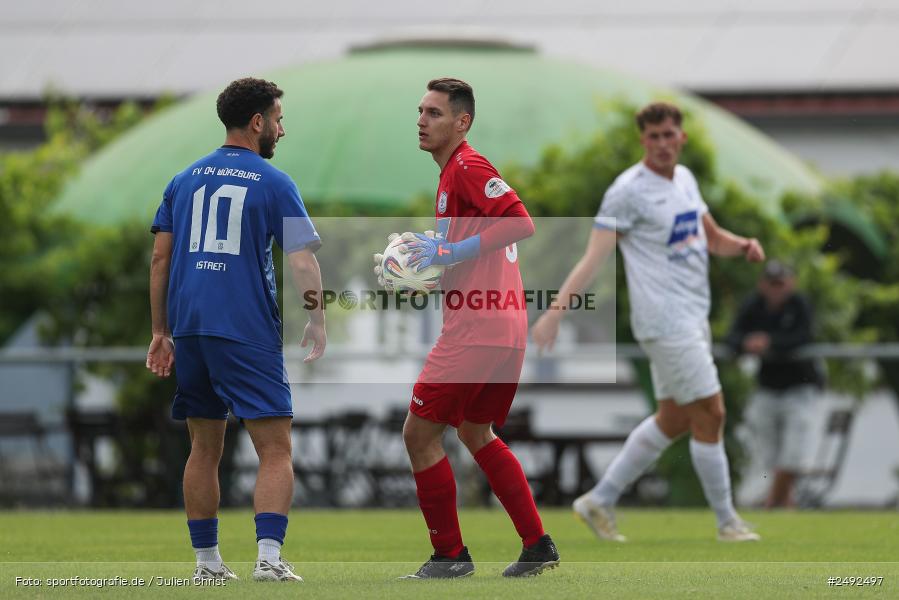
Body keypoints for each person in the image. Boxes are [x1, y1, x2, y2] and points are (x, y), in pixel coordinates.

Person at [531, 101, 764, 543]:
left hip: (693, 316)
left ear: (682, 138)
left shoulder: (686, 181)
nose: (661, 144)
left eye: (668, 135)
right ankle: (727, 522)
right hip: (665, 320)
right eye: (653, 137)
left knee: (674, 417)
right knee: (712, 411)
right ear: (644, 141)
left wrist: (743, 246)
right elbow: (594, 258)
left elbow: (711, 237)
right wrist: (555, 311)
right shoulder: (626, 191)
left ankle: (599, 500)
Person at [373, 78, 559, 578]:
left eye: (434, 112)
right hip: (504, 325)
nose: (421, 119)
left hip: (479, 327)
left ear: (462, 122)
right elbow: (472, 255)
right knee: (477, 431)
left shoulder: (468, 166)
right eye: (420, 111)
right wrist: (423, 276)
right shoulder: (451, 177)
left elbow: (521, 222)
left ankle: (450, 557)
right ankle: (537, 544)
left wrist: (450, 252)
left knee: (418, 434)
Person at [146, 77, 326, 582]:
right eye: (278, 119)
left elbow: (160, 259)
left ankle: (207, 565)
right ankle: (268, 560)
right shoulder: (273, 182)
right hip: (244, 329)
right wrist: (316, 317)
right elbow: (303, 262)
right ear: (257, 123)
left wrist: (161, 332)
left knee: (204, 448)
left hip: (191, 331)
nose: (282, 129)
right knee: (274, 447)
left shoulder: (183, 180)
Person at [727, 260, 824, 508]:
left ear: (791, 283)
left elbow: (804, 336)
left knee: (792, 455)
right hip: (768, 389)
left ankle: (770, 506)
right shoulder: (754, 305)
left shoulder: (799, 304)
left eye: (780, 284)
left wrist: (770, 342)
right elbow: (732, 336)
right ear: (762, 284)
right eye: (771, 284)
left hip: (800, 388)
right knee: (771, 455)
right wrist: (747, 343)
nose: (776, 289)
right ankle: (786, 508)